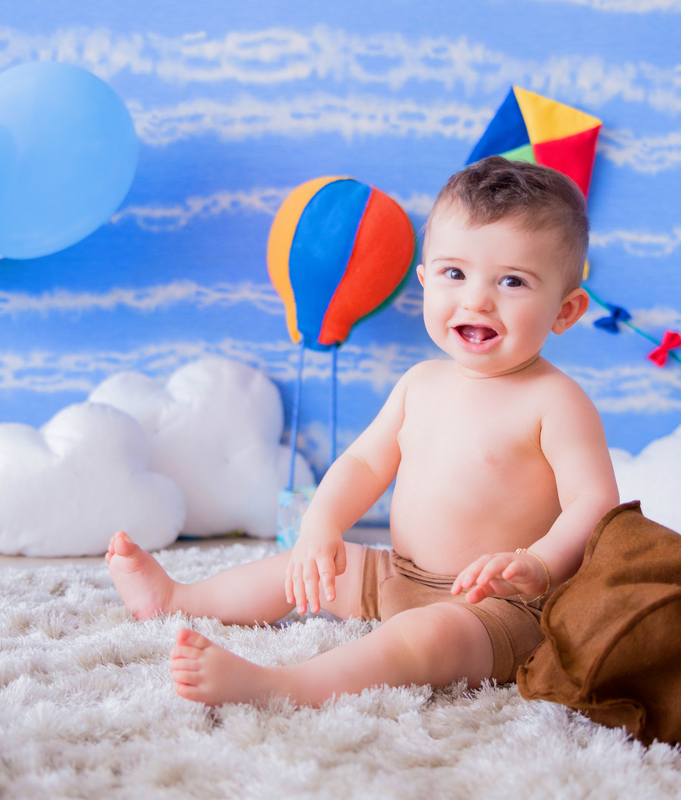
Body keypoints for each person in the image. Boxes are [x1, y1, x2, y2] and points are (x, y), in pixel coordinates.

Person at [105, 156, 620, 706]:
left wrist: (538, 563)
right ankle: (178, 597)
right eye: (454, 273)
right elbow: (365, 464)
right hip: (398, 575)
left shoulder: (555, 402)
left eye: (512, 281)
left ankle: (289, 685)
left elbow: (594, 503)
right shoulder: (420, 383)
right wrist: (321, 525)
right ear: (424, 282)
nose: (476, 299)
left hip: (499, 606)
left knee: (425, 639)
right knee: (306, 566)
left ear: (566, 311)